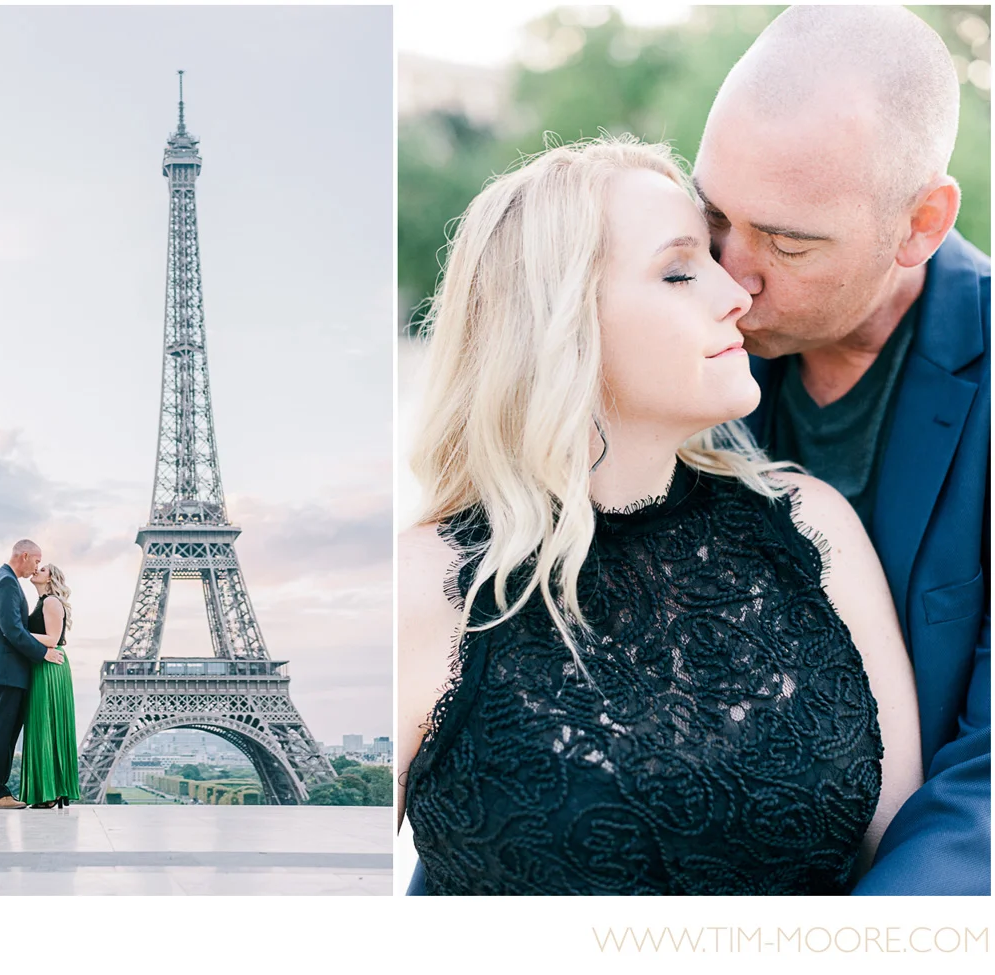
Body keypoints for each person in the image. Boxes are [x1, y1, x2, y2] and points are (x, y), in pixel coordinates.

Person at [398, 134, 922, 895]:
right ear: (560, 324)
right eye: (681, 271)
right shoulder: (422, 590)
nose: (736, 293)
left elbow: (900, 855)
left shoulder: (815, 531)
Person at [692, 5, 989, 895]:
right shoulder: (669, 335)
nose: (730, 278)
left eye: (788, 243)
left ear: (921, 224)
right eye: (713, 217)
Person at [0, 539, 65, 809]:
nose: (36, 567)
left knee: (6, 731)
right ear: (24, 556)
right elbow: (11, 630)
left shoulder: (4, 580)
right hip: (6, 668)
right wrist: (42, 652)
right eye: (36, 561)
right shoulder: (6, 582)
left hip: (7, 667)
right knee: (1, 731)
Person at [19, 562, 81, 809]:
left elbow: (53, 639)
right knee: (45, 726)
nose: (36, 570)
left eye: (42, 569)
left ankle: (50, 791)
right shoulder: (42, 602)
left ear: (52, 578)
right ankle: (51, 789)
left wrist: (16, 632)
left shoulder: (51, 602)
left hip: (50, 666)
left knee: (45, 725)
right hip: (44, 665)